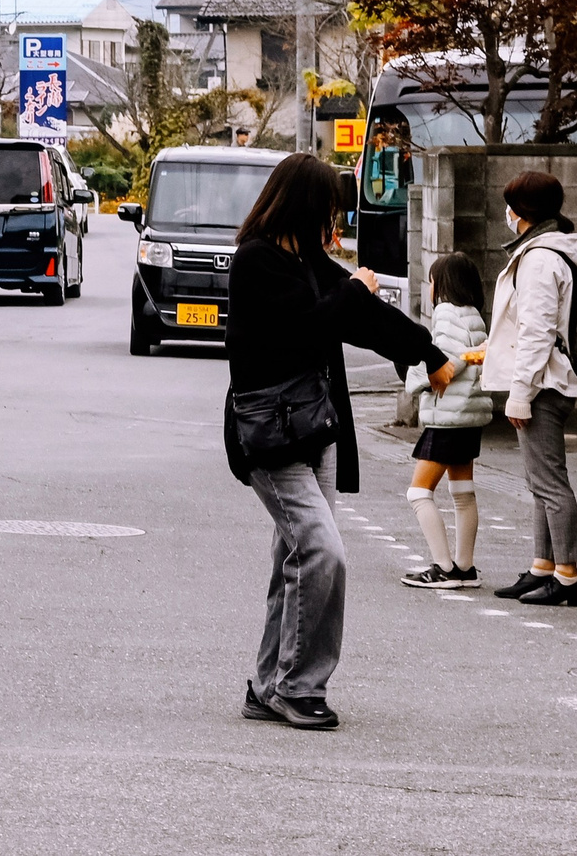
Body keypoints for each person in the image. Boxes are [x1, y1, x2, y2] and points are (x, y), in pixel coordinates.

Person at [225, 153, 454, 730]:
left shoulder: (306, 260)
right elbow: (306, 329)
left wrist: (426, 353)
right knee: (322, 551)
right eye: (329, 208)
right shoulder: (256, 262)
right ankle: (299, 687)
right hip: (271, 435)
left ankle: (268, 684)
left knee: (296, 558)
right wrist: (353, 289)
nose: (335, 221)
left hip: (314, 426)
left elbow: (365, 319)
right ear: (304, 204)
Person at [473, 171, 577, 607]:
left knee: (550, 484)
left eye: (511, 205)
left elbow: (537, 331)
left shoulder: (540, 258)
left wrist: (520, 393)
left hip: (543, 385)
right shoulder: (547, 251)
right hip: (547, 379)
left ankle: (568, 576)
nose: (507, 213)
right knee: (540, 482)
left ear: (522, 212)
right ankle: (544, 566)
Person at [399, 253, 493, 590]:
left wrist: (415, 377)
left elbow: (446, 364)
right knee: (463, 492)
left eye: (431, 281)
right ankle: (464, 568)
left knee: (418, 492)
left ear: (442, 286)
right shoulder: (474, 316)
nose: (429, 288)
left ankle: (443, 567)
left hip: (447, 418)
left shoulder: (446, 314)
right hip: (467, 417)